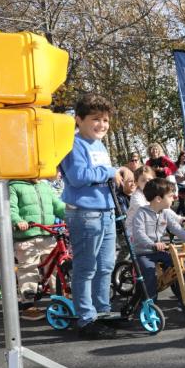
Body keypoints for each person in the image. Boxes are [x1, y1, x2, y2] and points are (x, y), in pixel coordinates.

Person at [59, 94, 129, 339]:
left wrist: (121, 182)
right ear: (79, 119)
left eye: (105, 120)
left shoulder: (100, 145)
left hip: (106, 212)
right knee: (86, 267)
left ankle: (103, 312)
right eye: (95, 119)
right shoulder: (73, 144)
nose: (102, 125)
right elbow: (78, 176)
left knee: (106, 266)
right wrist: (112, 171)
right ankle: (86, 319)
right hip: (85, 214)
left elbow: (102, 177)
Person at [131, 179, 185, 304]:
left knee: (178, 265)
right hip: (143, 252)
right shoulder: (141, 213)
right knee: (149, 273)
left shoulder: (165, 213)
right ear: (158, 199)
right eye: (170, 196)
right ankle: (150, 303)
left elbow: (176, 229)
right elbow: (139, 233)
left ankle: (183, 293)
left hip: (160, 250)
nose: (173, 198)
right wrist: (152, 244)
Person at [10, 178, 66, 320]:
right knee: (28, 268)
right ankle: (28, 305)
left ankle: (60, 300)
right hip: (26, 235)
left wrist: (69, 215)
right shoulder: (15, 186)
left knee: (55, 267)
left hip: (47, 234)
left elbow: (57, 205)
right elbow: (11, 208)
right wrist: (18, 221)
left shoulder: (44, 185)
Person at [125, 165, 156, 237]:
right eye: (143, 180)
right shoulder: (136, 196)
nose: (147, 182)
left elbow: (165, 207)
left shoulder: (155, 194)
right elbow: (142, 208)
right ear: (137, 183)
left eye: (149, 179)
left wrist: (177, 218)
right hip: (134, 231)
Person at [174, 151, 185, 216]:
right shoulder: (175, 164)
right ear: (180, 156)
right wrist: (178, 176)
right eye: (183, 156)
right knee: (181, 201)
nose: (184, 157)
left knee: (182, 201)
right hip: (177, 184)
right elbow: (172, 173)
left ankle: (176, 214)